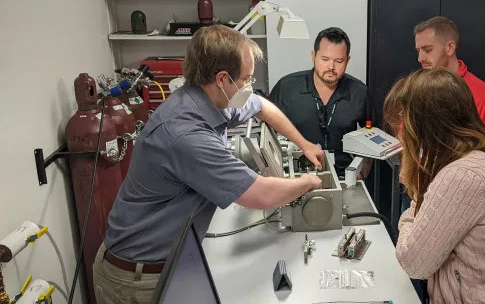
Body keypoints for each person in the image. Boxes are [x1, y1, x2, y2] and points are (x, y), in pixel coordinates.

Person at [92, 25, 325, 304]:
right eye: (247, 79)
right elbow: (261, 195)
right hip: (136, 279)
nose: (249, 87)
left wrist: (304, 144)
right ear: (222, 78)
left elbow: (262, 106)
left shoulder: (211, 100)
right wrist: (310, 182)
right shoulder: (185, 132)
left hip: (170, 261)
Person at [385, 68, 485, 304]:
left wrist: (409, 219)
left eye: (406, 119)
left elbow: (413, 262)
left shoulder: (461, 176)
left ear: (425, 124)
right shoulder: (474, 158)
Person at [267, 27, 371, 178]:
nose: (331, 67)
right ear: (313, 56)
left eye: (339, 61)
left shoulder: (360, 93)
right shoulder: (286, 87)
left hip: (345, 179)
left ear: (347, 60)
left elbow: (375, 136)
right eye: (325, 59)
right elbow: (266, 130)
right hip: (296, 176)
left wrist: (363, 172)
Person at [414, 16, 485, 152]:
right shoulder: (418, 89)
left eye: (428, 50)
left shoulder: (482, 96)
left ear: (450, 47)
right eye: (418, 51)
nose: (420, 58)